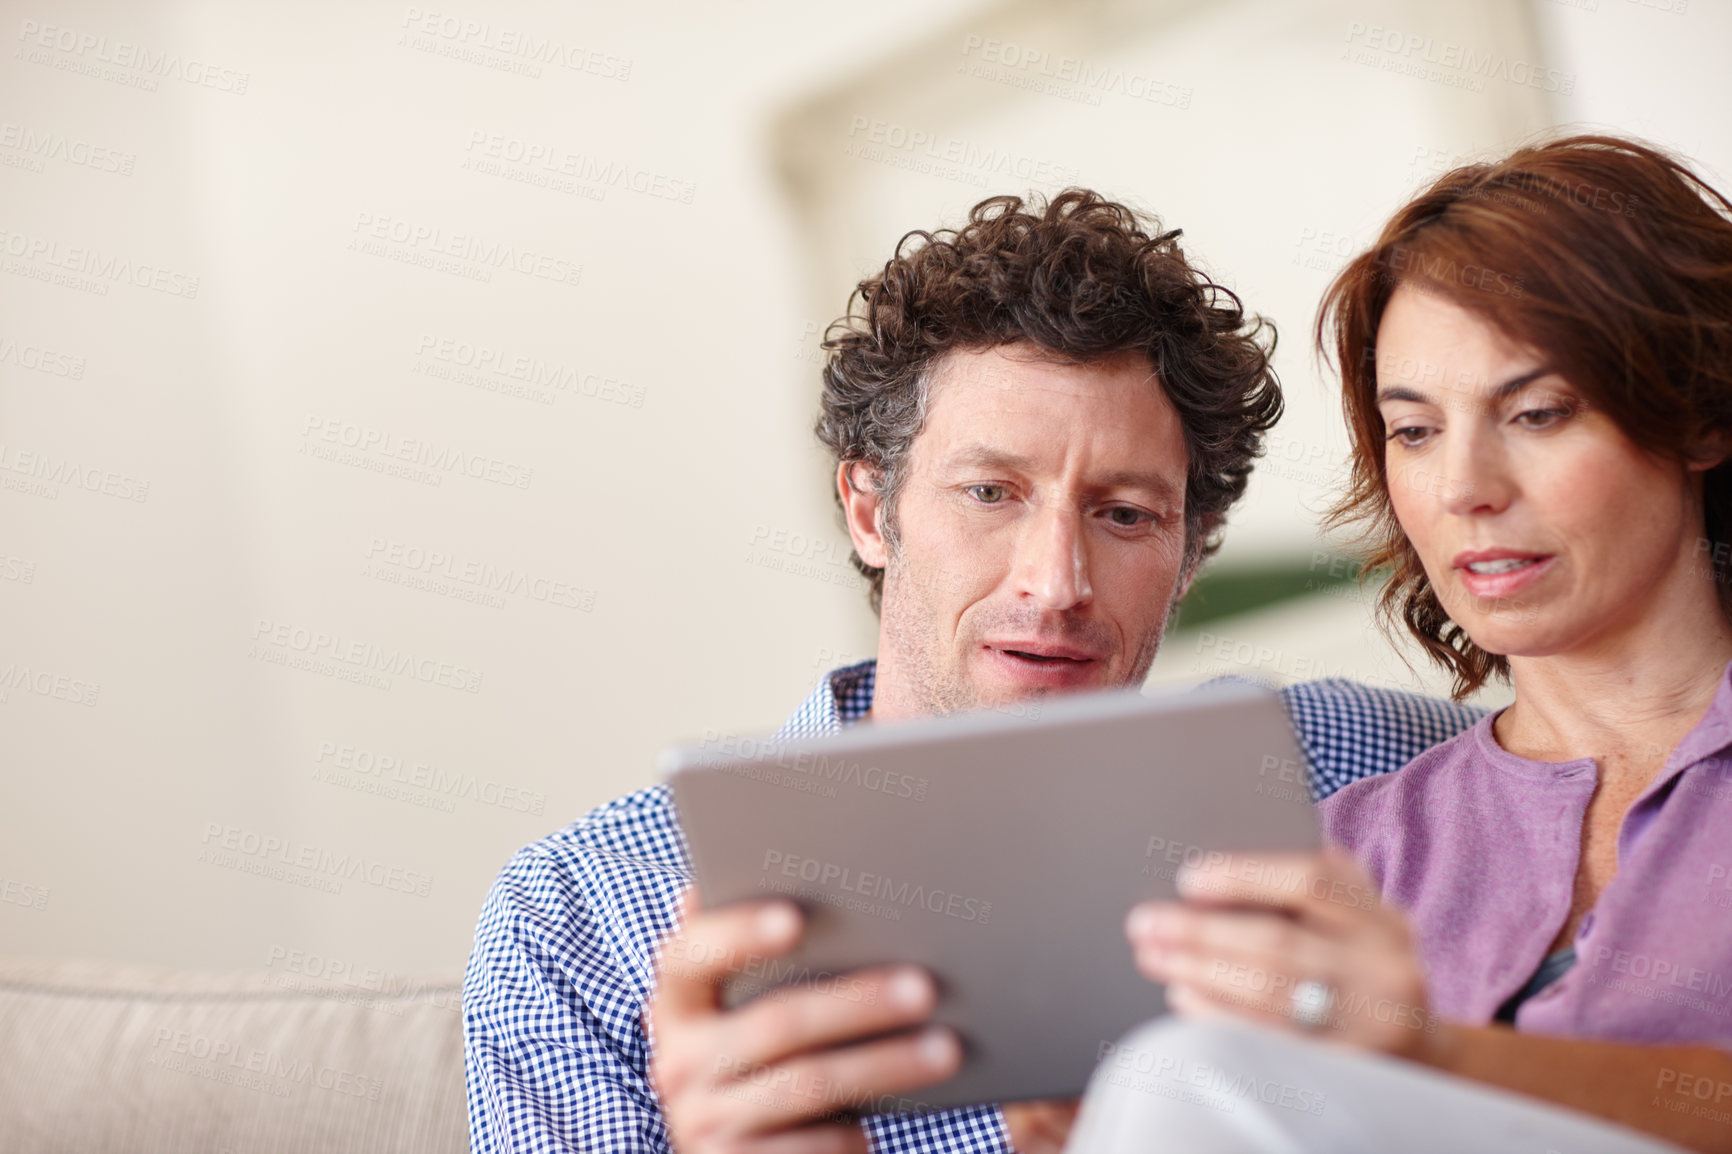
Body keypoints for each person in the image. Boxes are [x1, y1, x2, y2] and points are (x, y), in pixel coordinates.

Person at [461, 190, 1483, 1154]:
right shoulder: (584, 917)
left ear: (1192, 549)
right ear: (870, 510)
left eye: (1125, 513)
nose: (1056, 584)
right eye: (990, 492)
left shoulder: (1360, 769)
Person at [1083, 135, 1732, 1153]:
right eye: (1415, 431)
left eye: (1536, 411)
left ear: (1697, 413)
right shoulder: (1348, 857)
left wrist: (1435, 1056)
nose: (1466, 486)